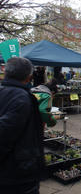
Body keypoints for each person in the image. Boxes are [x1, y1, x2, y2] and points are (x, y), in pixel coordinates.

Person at [0, 57, 44, 194]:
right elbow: (4, 133)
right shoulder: (21, 98)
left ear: (5, 72)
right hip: (17, 173)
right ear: (29, 77)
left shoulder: (4, 91)